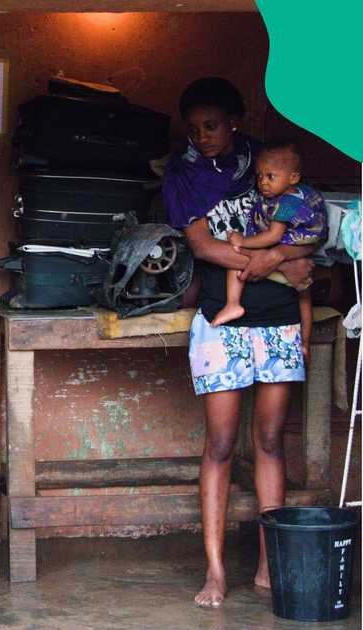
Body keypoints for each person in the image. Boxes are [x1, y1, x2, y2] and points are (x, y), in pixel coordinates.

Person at [162, 77, 316, 609]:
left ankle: (270, 566)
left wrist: (288, 257)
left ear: (235, 122)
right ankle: (216, 571)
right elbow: (203, 246)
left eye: (212, 125)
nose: (202, 137)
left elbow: (306, 231)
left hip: (276, 321)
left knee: (270, 442)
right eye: (194, 129)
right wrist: (273, 261)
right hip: (220, 322)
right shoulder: (182, 176)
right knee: (222, 446)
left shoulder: (267, 164)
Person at [212, 143, 327, 358]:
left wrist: (242, 240)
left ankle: (233, 303)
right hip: (294, 252)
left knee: (234, 255)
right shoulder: (287, 196)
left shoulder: (289, 202)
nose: (263, 182)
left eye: (271, 176)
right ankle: (305, 343)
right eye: (259, 176)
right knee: (304, 297)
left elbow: (273, 236)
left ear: (293, 178)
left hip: (290, 246)